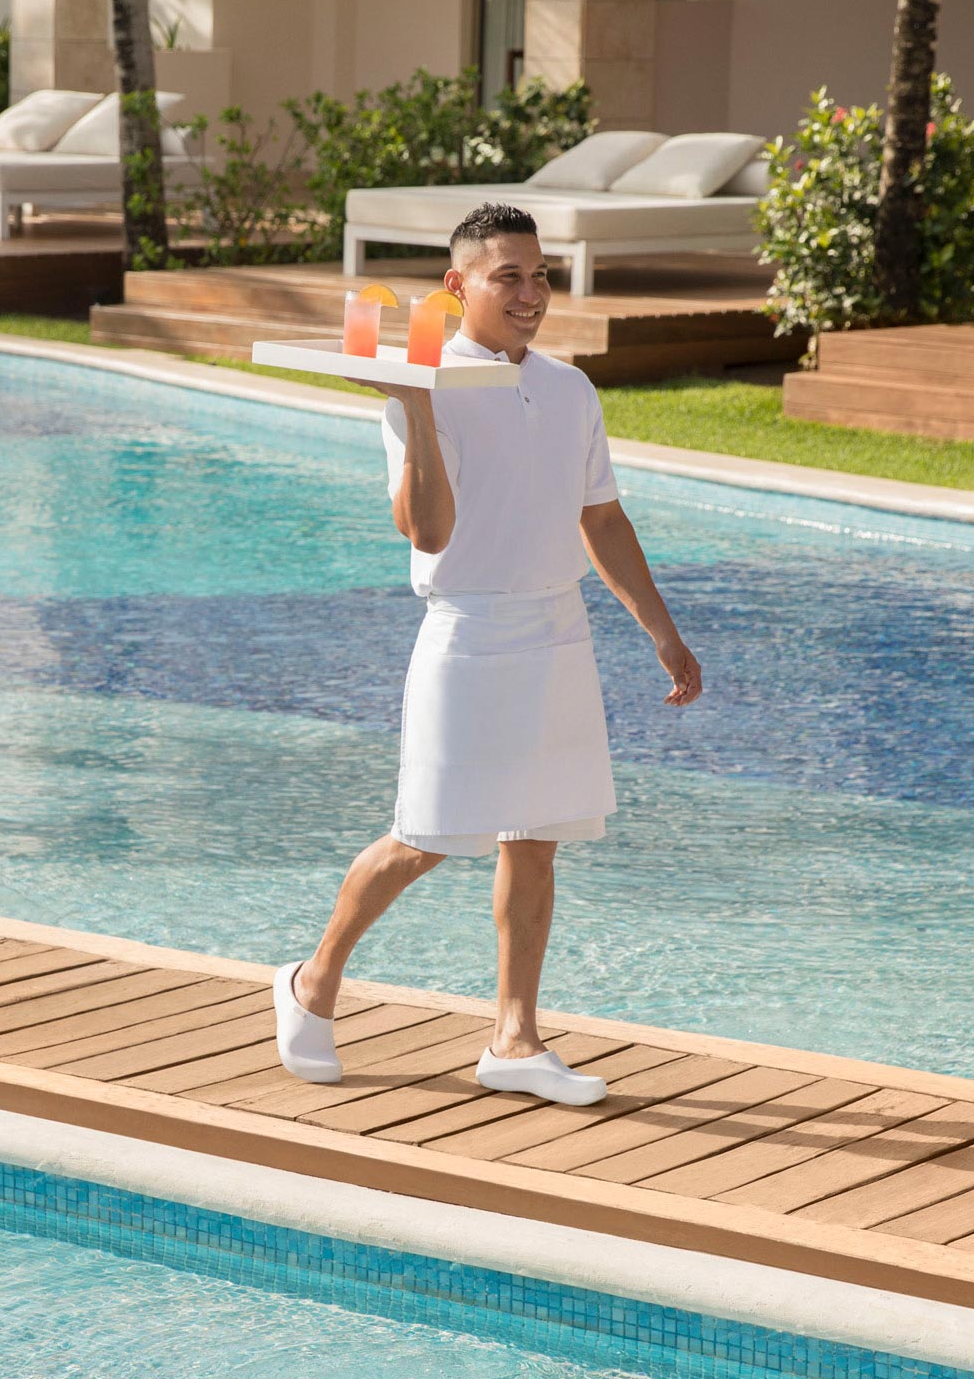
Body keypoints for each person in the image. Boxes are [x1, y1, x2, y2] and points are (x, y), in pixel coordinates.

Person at [273, 202, 702, 1107]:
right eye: (510, 276)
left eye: (541, 274)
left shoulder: (571, 389)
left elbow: (603, 518)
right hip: (467, 635)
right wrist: (418, 406)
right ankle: (312, 982)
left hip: (557, 633)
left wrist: (660, 629)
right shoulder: (420, 385)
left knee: (535, 838)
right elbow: (428, 530)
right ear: (457, 286)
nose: (533, 292)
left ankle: (515, 1038)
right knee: (424, 837)